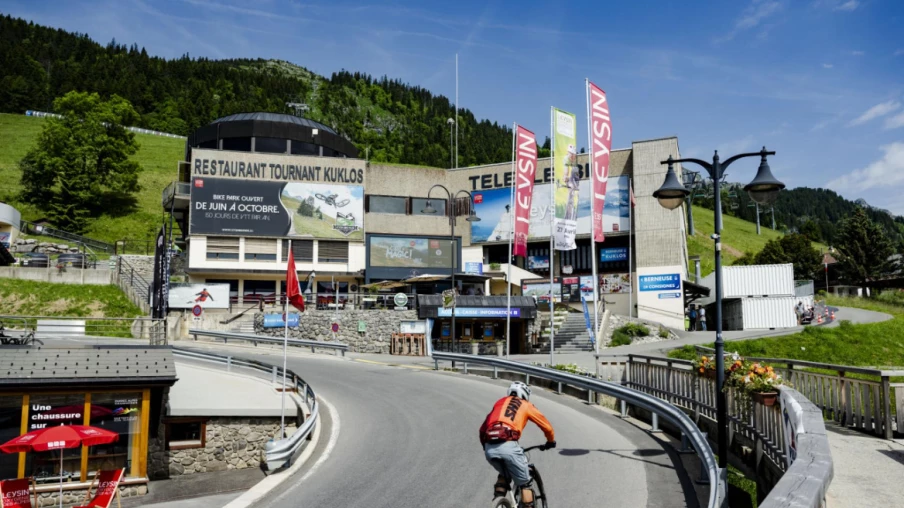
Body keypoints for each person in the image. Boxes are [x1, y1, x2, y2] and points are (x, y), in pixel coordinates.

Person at [479, 382, 556, 508]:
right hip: (509, 447)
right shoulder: (525, 404)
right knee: (525, 483)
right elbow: (546, 426)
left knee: (504, 474)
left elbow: (482, 430)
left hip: (489, 447)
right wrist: (550, 441)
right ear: (525, 395)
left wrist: (485, 447)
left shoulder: (500, 402)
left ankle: (498, 501)